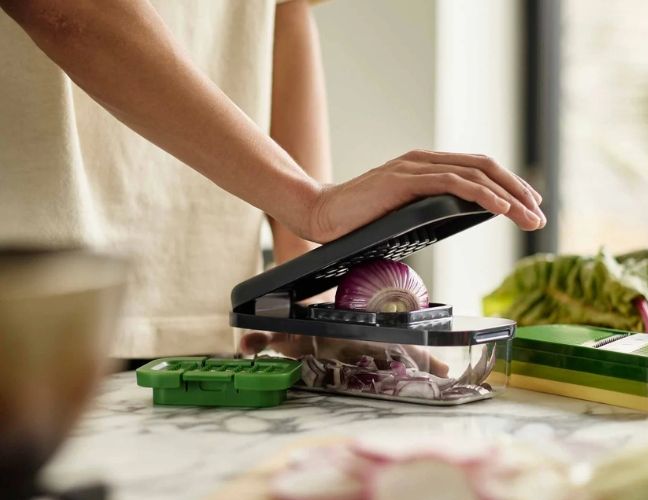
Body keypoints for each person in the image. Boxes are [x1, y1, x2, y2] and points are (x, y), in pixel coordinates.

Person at [0, 0, 545, 361]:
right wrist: (309, 202)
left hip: (198, 300)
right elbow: (70, 9)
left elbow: (280, 13)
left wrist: (310, 293)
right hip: (34, 298)